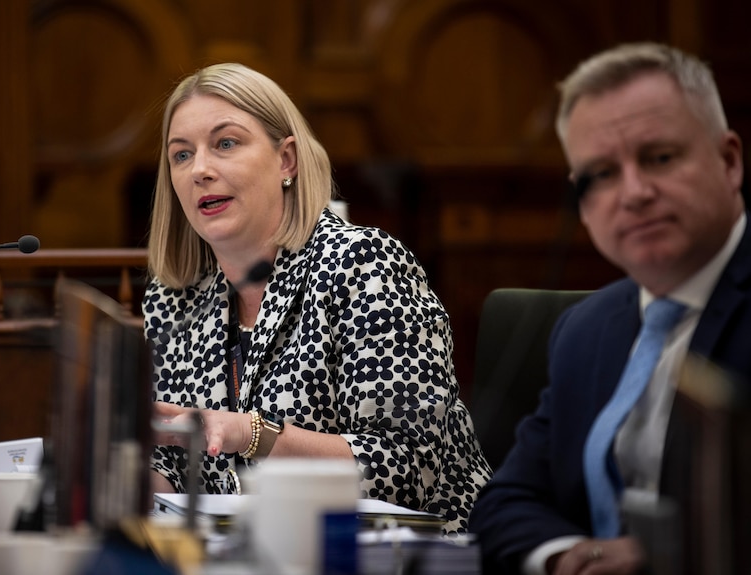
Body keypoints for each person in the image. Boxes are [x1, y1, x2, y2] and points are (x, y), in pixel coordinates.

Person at [143, 62, 491, 535]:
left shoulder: (362, 264)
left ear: (286, 160)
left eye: (225, 143)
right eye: (181, 155)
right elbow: (175, 470)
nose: (200, 169)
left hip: (406, 553)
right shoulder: (175, 297)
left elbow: (404, 471)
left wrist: (249, 433)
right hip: (252, 555)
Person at [469, 42, 751, 574]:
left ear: (729, 161)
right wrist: (568, 557)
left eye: (659, 158)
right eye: (600, 174)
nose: (634, 192)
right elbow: (504, 504)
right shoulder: (584, 328)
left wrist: (664, 561)